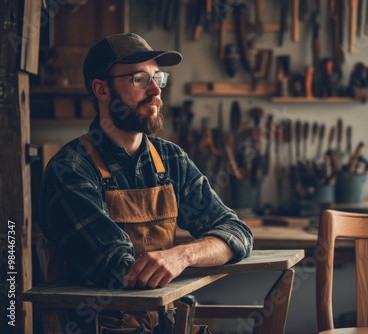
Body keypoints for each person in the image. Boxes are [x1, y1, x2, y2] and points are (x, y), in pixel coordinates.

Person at [39, 33, 253, 333]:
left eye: (157, 78)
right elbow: (121, 270)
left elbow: (237, 233)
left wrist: (183, 254)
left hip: (165, 324)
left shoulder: (171, 159)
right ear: (101, 89)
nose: (155, 90)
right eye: (139, 79)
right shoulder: (70, 169)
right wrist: (194, 253)